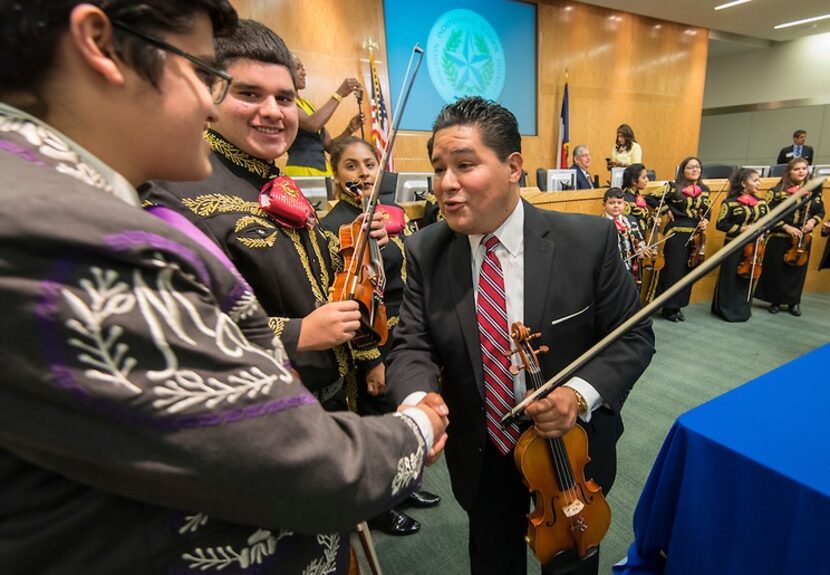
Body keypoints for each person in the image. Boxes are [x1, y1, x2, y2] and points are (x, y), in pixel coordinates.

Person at [0, 3, 448, 571]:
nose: (211, 103)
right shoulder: (61, 228)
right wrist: (417, 425)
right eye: (206, 74)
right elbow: (291, 461)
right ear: (99, 45)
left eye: (284, 99)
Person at [142, 20, 438, 536]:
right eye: (249, 94)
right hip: (266, 424)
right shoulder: (175, 192)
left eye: (284, 98)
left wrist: (363, 255)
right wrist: (300, 332)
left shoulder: (276, 181)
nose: (273, 111)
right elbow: (171, 333)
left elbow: (318, 275)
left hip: (330, 408)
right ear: (210, 93)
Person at [386, 97, 655, 575]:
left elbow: (632, 339)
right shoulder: (426, 248)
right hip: (482, 449)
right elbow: (412, 344)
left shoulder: (588, 242)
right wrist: (417, 397)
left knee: (570, 562)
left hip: (573, 453)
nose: (447, 184)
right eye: (439, 168)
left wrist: (577, 394)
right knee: (492, 559)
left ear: (513, 166)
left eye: (465, 165)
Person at [319, 135, 441, 535]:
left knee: (399, 411)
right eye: (351, 166)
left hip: (398, 332)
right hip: (366, 342)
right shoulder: (333, 225)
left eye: (369, 164)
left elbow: (402, 277)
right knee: (376, 419)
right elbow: (345, 300)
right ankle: (379, 506)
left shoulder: (384, 217)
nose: (363, 173)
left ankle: (405, 486)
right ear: (335, 173)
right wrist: (370, 358)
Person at [754, 157, 825, 316]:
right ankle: (775, 301)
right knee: (777, 270)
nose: (801, 171)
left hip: (803, 239)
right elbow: (768, 215)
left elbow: (821, 212)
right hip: (780, 236)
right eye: (796, 169)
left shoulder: (813, 192)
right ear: (789, 172)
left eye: (804, 169)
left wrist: (813, 221)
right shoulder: (775, 192)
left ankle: (794, 302)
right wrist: (786, 227)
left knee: (797, 271)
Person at [283, 54, 362, 176]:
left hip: (323, 170)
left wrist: (350, 129)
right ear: (285, 72)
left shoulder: (307, 105)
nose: (304, 73)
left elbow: (330, 147)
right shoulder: (285, 102)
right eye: (298, 67)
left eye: (303, 68)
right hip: (301, 170)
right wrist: (339, 94)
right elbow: (312, 124)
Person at [654, 156, 711, 322]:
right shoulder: (673, 187)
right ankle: (668, 308)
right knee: (673, 271)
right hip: (676, 233)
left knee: (688, 272)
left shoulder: (704, 189)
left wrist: (706, 220)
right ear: (682, 170)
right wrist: (666, 209)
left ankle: (678, 306)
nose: (694, 170)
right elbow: (652, 197)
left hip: (695, 235)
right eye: (690, 167)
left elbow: (707, 209)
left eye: (697, 167)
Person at [710, 169, 770, 322]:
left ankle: (743, 309)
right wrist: (742, 229)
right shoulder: (729, 203)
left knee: (748, 277)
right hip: (734, 245)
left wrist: (764, 230)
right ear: (743, 183)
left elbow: (769, 222)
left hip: (754, 246)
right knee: (730, 277)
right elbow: (721, 224)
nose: (759, 183)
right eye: (755, 180)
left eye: (759, 180)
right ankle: (726, 310)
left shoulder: (762, 203)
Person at [602, 187, 648, 284]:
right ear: (604, 205)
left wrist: (641, 249)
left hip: (631, 270)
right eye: (612, 203)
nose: (616, 206)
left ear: (624, 204)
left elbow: (639, 240)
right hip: (610, 271)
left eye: (619, 203)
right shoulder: (599, 223)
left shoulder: (631, 221)